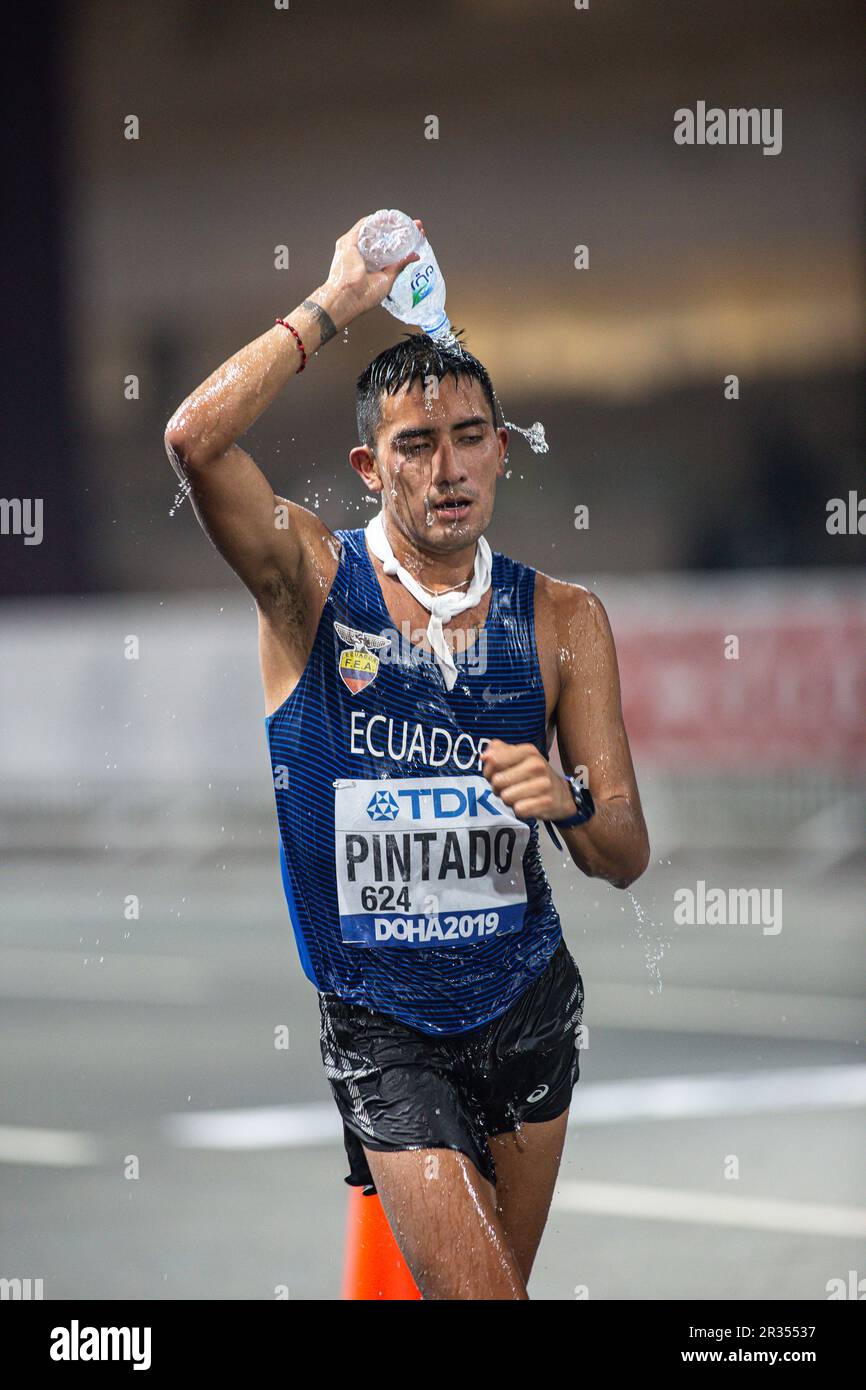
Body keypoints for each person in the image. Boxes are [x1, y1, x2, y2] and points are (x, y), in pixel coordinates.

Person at [164, 214, 650, 1300]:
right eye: (414, 445)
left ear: (501, 450)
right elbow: (194, 441)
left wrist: (565, 799)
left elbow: (623, 850)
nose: (447, 468)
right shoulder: (308, 585)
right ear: (367, 464)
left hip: (528, 1009)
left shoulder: (563, 620)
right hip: (383, 1024)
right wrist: (332, 304)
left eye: (469, 436)